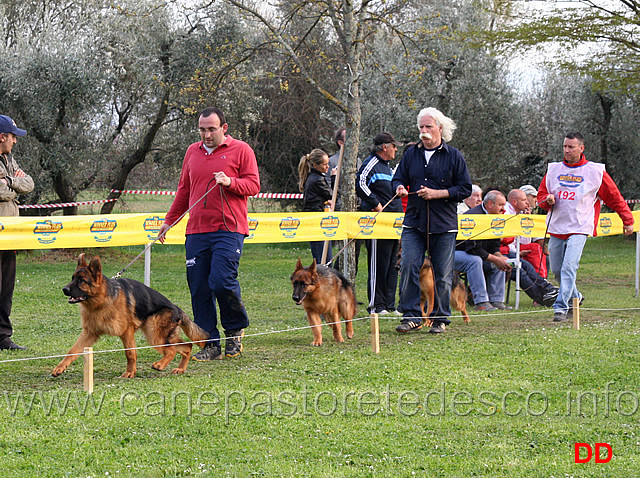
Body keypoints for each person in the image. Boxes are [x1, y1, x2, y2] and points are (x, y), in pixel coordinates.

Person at [158, 107, 260, 360]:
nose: (206, 134)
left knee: (221, 281)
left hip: (229, 229)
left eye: (211, 129)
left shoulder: (241, 150)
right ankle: (209, 344)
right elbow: (184, 189)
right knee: (200, 287)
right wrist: (170, 221)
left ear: (224, 128)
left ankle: (234, 330)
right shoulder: (192, 152)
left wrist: (230, 182)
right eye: (202, 130)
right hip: (196, 231)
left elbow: (254, 185)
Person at [537, 132, 634, 322]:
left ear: (581, 148)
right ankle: (576, 297)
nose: (566, 150)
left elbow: (614, 197)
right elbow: (541, 197)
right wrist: (547, 200)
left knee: (569, 267)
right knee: (557, 269)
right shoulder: (554, 170)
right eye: (565, 146)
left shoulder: (595, 172)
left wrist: (627, 220)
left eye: (571, 147)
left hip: (581, 227)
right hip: (557, 227)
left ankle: (560, 307)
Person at [392, 107, 472, 333]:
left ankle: (440, 319)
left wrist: (439, 193)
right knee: (408, 265)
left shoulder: (454, 156)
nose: (423, 131)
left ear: (440, 128)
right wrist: (398, 186)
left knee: (443, 273)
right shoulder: (410, 154)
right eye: (421, 127)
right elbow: (398, 177)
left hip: (443, 225)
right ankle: (411, 316)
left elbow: (464, 188)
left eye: (428, 127)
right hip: (414, 222)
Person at [356, 132, 403, 316]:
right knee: (378, 264)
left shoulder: (388, 168)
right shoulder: (372, 163)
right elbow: (360, 183)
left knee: (392, 264)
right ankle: (376, 305)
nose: (396, 149)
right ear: (384, 147)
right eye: (394, 146)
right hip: (377, 224)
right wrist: (375, 203)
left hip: (393, 224)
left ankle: (389, 305)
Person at [0, 115, 34, 351]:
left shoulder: (8, 161)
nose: (15, 141)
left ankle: (3, 337)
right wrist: (13, 188)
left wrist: (9, 181)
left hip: (9, 237)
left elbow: (29, 184)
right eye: (13, 137)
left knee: (6, 290)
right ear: (2, 137)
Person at [455, 190, 512, 311]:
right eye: (501, 205)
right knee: (474, 261)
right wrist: (496, 259)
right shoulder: (473, 216)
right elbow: (473, 249)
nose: (503, 209)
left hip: (476, 253)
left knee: (500, 261)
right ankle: (481, 302)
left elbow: (494, 245)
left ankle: (496, 300)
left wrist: (499, 257)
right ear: (490, 204)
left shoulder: (496, 217)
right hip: (453, 253)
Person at [503, 189, 558, 306]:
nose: (528, 203)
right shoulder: (506, 213)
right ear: (514, 202)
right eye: (524, 200)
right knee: (521, 267)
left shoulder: (521, 213)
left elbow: (524, 239)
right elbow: (506, 242)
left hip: (513, 251)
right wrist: (518, 252)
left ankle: (546, 289)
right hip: (504, 253)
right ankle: (542, 297)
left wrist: (527, 221)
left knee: (532, 261)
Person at [298, 148, 334, 265]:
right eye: (324, 165)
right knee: (323, 261)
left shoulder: (314, 177)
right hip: (316, 221)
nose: (327, 167)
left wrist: (324, 201)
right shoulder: (317, 179)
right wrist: (333, 178)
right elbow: (331, 194)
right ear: (315, 165)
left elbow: (320, 196)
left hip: (315, 218)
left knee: (324, 259)